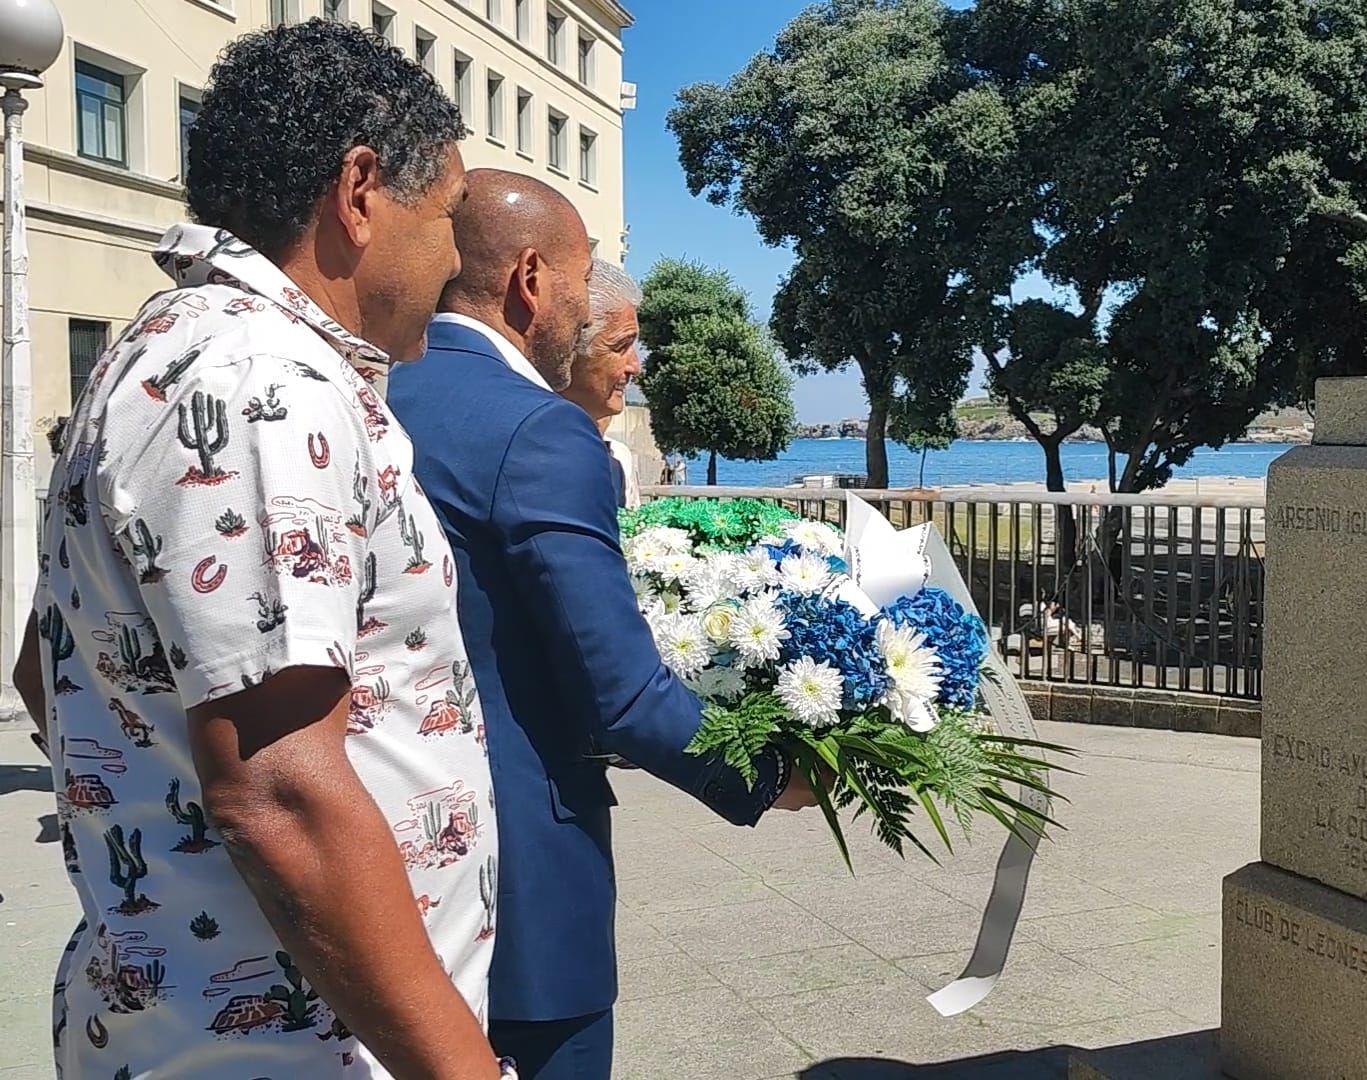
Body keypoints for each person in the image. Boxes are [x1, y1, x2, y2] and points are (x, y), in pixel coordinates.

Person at [10, 21, 511, 1080]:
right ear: (360, 190)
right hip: (293, 1053)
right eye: (448, 216)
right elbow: (279, 790)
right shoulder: (263, 383)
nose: (458, 258)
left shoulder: (167, 349)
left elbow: (45, 674)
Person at [387, 170, 815, 1080]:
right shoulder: (538, 429)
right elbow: (616, 689)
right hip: (521, 877)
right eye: (584, 282)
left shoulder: (376, 393)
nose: (589, 310)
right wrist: (774, 774)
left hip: (385, 851)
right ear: (532, 280)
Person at [563, 258, 645, 509]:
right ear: (569, 348)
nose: (635, 367)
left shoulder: (616, 464)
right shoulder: (526, 455)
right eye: (621, 346)